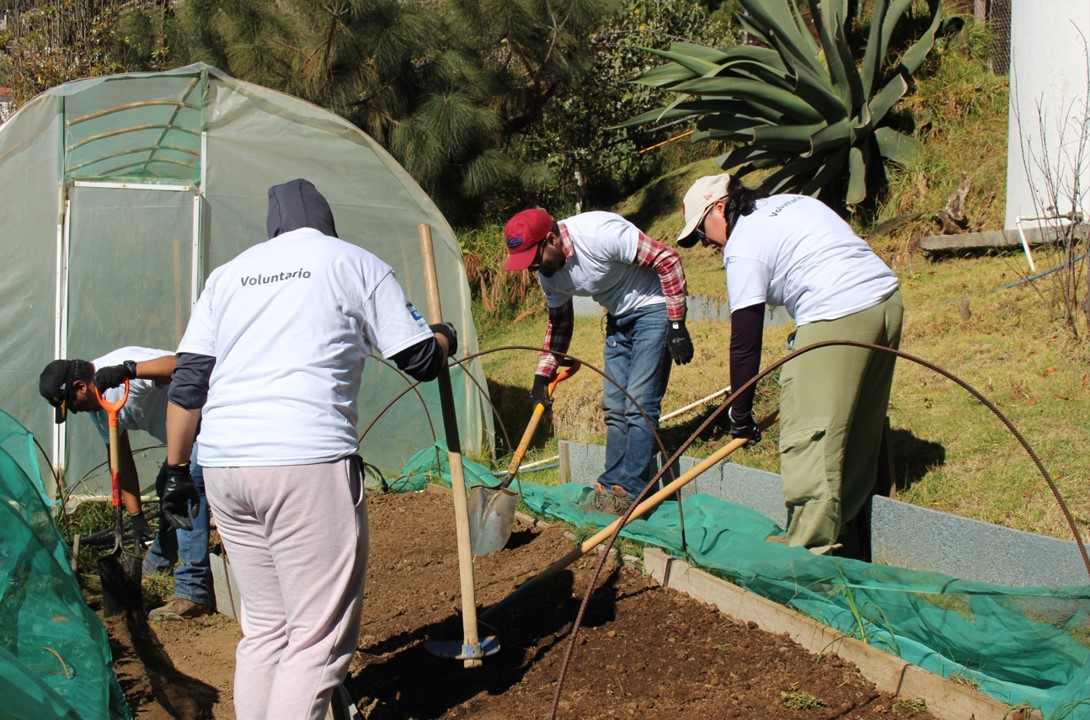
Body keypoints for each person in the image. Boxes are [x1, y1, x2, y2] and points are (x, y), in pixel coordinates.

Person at [164, 178, 455, 720]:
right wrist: (444, 335)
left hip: (225, 465)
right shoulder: (351, 262)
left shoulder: (226, 277)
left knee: (267, 629)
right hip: (305, 460)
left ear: (272, 231)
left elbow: (188, 382)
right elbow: (420, 359)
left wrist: (175, 468)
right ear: (327, 223)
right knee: (316, 643)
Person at [677, 173, 903, 555]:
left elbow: (745, 342)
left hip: (838, 313)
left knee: (807, 432)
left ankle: (808, 549)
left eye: (702, 232)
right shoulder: (792, 202)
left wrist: (740, 415)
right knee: (858, 426)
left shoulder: (743, 243)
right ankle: (846, 530)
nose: (705, 244)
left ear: (719, 207)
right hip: (887, 304)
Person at [502, 207, 693, 516]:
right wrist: (542, 376)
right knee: (614, 405)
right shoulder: (548, 274)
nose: (532, 268)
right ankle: (611, 485)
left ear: (551, 239)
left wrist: (676, 324)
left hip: (654, 308)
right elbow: (560, 324)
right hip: (618, 316)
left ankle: (631, 491)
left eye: (535, 259)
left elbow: (667, 259)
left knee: (639, 403)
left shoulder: (598, 234)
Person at [38, 351, 212, 618]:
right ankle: (157, 563)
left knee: (186, 488)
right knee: (166, 483)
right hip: (185, 438)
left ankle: (193, 591)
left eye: (71, 405)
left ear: (80, 387)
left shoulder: (121, 366)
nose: (75, 411)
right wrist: (136, 516)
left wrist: (131, 369)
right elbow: (120, 461)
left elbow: (181, 366)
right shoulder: (98, 411)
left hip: (209, 421)